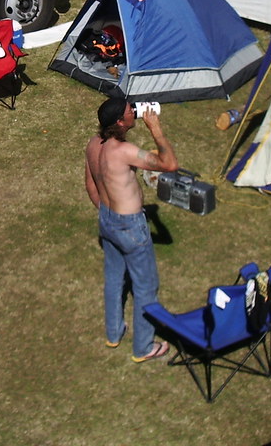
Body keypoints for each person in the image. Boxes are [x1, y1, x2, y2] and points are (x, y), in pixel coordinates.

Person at [85, 97, 179, 362]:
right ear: (120, 122)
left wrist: (108, 214)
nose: (135, 112)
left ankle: (114, 333)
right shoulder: (123, 151)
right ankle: (143, 347)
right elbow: (169, 164)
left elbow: (90, 185)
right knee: (146, 287)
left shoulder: (93, 144)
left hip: (107, 219)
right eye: (130, 111)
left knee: (114, 279)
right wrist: (155, 129)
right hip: (130, 225)